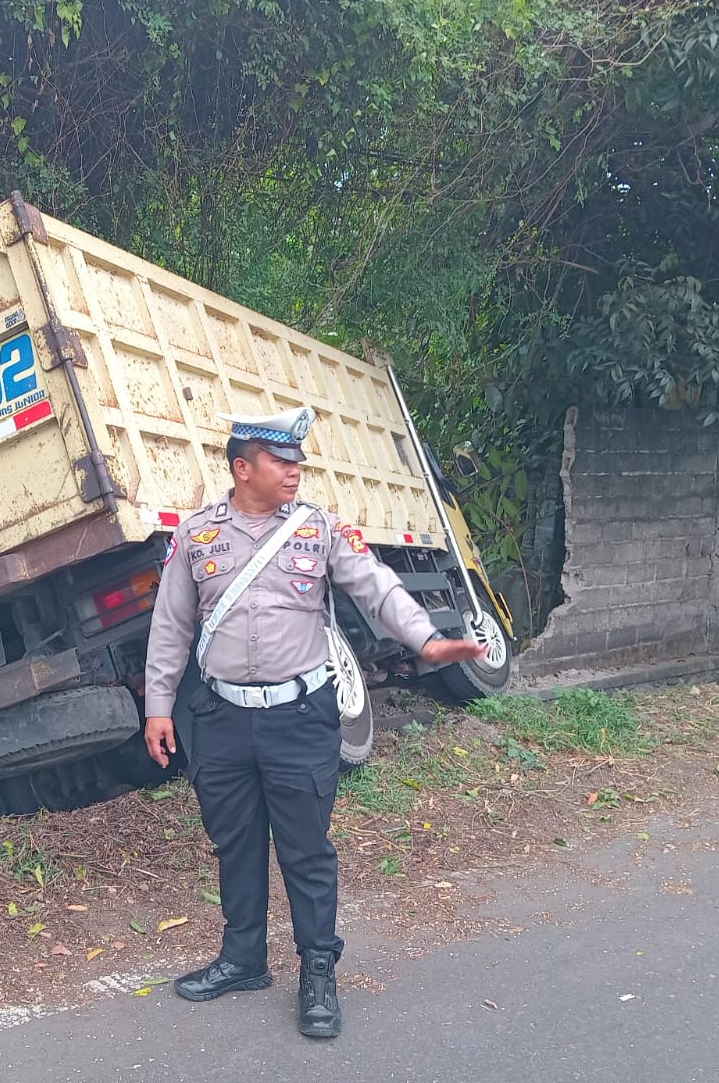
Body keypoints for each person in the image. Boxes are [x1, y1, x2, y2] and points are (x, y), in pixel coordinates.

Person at [142, 405, 486, 1038]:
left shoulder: (318, 530)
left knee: (306, 851)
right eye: (281, 461)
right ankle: (243, 959)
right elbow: (171, 627)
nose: (295, 472)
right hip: (220, 718)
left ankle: (319, 972)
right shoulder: (195, 537)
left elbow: (376, 588)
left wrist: (426, 640)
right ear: (242, 469)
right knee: (235, 843)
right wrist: (158, 705)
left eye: (298, 462)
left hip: (299, 716)